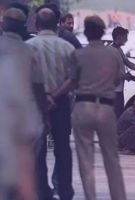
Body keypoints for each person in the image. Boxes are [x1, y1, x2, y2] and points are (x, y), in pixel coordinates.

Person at [51, 15, 127, 200]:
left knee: (86, 160)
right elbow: (118, 78)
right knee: (112, 158)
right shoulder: (114, 54)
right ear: (103, 32)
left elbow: (71, 81)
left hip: (83, 107)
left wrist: (53, 96)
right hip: (107, 108)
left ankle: (90, 197)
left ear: (85, 32)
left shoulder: (79, 54)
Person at [26, 8, 75, 200]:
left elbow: (26, 78)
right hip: (61, 102)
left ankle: (42, 191)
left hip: (35, 103)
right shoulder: (67, 47)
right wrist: (55, 95)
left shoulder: (28, 46)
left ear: (36, 25)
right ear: (57, 25)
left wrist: (44, 96)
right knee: (62, 148)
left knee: (38, 149)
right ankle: (64, 190)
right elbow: (73, 79)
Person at [0, 8, 46, 200]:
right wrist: (45, 116)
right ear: (22, 27)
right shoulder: (30, 51)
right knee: (24, 172)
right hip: (24, 119)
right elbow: (39, 88)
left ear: (3, 24)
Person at [111, 26, 135, 118]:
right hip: (113, 90)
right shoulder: (111, 51)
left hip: (119, 88)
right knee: (116, 114)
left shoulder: (118, 49)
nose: (127, 39)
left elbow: (127, 62)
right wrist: (125, 76)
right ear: (119, 37)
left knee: (119, 112)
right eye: (125, 37)